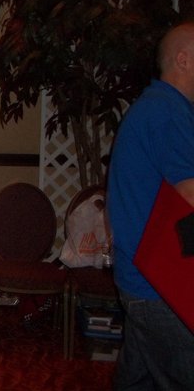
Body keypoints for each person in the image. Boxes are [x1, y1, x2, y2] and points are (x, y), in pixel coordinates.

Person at [107, 21, 194, 390]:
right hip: (159, 286)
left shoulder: (157, 107)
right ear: (184, 59)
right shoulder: (167, 111)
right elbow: (190, 194)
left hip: (143, 278)